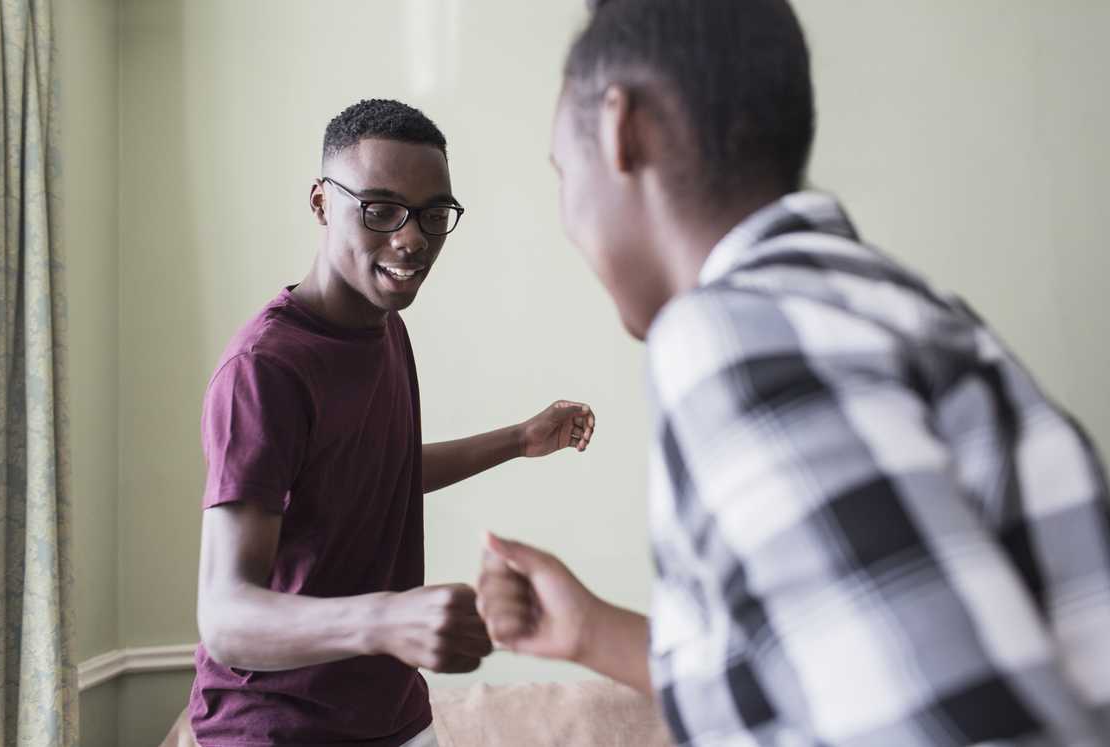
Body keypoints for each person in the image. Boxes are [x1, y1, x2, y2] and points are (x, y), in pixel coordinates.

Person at [476, 1, 1110, 745]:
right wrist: (591, 632)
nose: (566, 210)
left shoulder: (733, 336)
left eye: (561, 168)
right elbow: (831, 680)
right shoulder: (889, 306)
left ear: (623, 128)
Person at [187, 98, 596, 747]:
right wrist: (386, 619)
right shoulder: (264, 368)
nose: (412, 238)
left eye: (433, 214)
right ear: (322, 203)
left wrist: (519, 439)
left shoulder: (386, 328)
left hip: (393, 713)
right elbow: (226, 616)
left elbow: (375, 469)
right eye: (380, 210)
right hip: (275, 727)